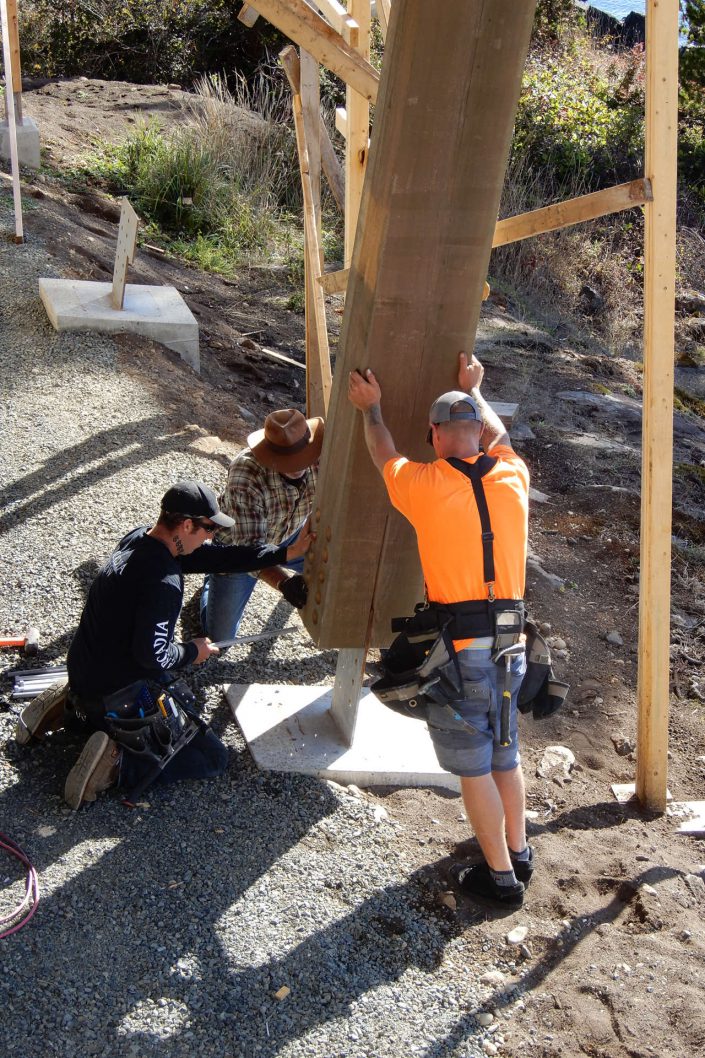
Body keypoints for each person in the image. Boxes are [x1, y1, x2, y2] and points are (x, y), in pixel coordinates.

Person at [348, 352, 532, 909]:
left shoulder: (424, 483)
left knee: (474, 767)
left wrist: (371, 408)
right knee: (507, 750)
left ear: (433, 437)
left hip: (465, 651)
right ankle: (519, 850)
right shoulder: (513, 474)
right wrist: (476, 388)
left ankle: (501, 880)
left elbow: (383, 451)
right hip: (515, 644)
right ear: (476, 433)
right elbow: (497, 431)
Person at [15, 479, 312, 808]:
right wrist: (192, 651)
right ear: (187, 525)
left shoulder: (141, 539)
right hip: (114, 692)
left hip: (84, 669)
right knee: (212, 757)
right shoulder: (163, 585)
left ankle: (73, 709)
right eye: (209, 529)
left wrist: (285, 553)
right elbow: (153, 657)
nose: (212, 537)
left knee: (156, 687)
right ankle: (115, 764)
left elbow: (220, 559)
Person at [200, 408, 323, 643]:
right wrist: (283, 583)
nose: (301, 465)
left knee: (335, 570)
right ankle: (213, 572)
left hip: (290, 536)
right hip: (239, 549)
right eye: (291, 460)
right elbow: (251, 552)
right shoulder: (246, 474)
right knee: (220, 639)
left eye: (304, 456)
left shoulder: (321, 450)